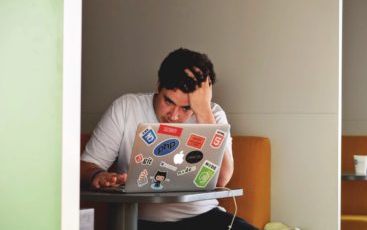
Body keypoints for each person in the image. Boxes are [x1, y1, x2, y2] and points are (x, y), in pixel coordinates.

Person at [80, 48, 258, 230]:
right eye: (169, 101)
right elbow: (85, 166)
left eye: (186, 108)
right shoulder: (126, 108)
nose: (174, 116)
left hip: (203, 217)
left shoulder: (213, 115)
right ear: (158, 86)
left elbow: (222, 179)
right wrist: (98, 175)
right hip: (139, 221)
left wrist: (204, 112)